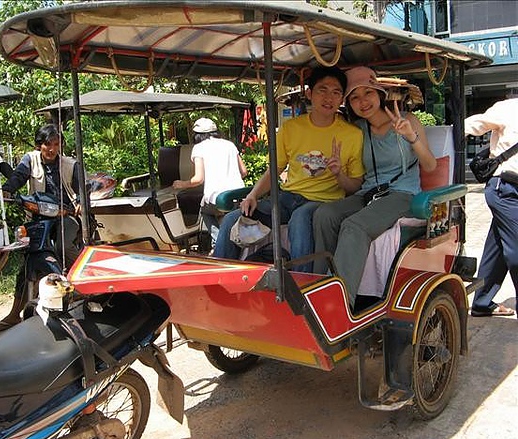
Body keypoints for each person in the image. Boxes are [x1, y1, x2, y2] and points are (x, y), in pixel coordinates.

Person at [213, 66, 364, 272]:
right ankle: (221, 278)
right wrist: (253, 195)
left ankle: (302, 286)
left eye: (336, 92)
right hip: (287, 198)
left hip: (321, 202)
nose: (329, 97)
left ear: (342, 99)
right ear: (310, 93)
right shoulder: (291, 128)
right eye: (323, 90)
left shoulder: (352, 135)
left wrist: (339, 174)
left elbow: (356, 185)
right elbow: (275, 169)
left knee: (300, 219)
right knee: (232, 218)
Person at [312, 66, 436, 309]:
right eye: (355, 97)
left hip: (402, 195)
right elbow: (354, 183)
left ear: (380, 94)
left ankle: (338, 305)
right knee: (324, 215)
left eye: (368, 93)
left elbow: (430, 165)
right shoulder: (357, 130)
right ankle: (318, 288)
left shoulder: (408, 121)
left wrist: (411, 136)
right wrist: (338, 174)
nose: (362, 101)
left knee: (354, 226)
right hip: (367, 194)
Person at [0, 123, 82, 333]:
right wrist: (7, 191)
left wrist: (80, 202)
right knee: (27, 263)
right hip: (39, 219)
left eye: (56, 144)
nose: (52, 149)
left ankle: (84, 286)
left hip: (64, 215)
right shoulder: (30, 160)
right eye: (47, 144)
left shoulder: (69, 164)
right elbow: (17, 178)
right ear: (39, 145)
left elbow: (81, 187)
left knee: (64, 246)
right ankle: (14, 315)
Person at [465, 98, 517, 317]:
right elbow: (471, 125)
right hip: (505, 189)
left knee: (497, 247)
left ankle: (482, 302)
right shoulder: (508, 108)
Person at [172, 117, 247, 243]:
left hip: (218, 199)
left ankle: (218, 242)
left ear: (197, 135)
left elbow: (198, 179)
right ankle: (225, 241)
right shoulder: (229, 144)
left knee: (205, 212)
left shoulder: (199, 148)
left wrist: (181, 184)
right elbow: (244, 172)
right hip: (238, 195)